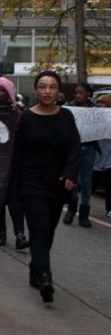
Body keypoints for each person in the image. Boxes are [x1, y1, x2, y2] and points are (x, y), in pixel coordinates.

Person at [13, 71, 81, 303]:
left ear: (58, 91)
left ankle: (35, 267)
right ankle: (45, 277)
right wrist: (13, 185)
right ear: (36, 90)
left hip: (58, 182)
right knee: (40, 227)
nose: (48, 91)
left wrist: (71, 174)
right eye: (43, 87)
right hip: (32, 182)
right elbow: (16, 153)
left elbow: (75, 148)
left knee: (48, 229)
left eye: (52, 87)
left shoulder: (66, 117)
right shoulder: (26, 118)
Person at [0, 77, 27, 249]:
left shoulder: (18, 114)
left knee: (15, 200)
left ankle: (20, 234)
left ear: (9, 94)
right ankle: (1, 232)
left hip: (13, 163)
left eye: (1, 90)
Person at [62, 83, 96, 228]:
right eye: (76, 93)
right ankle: (71, 209)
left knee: (86, 182)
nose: (78, 95)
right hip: (73, 149)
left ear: (88, 93)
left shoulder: (96, 110)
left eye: (81, 93)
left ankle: (84, 214)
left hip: (89, 148)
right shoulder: (69, 108)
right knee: (72, 180)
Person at [92, 95, 111, 219]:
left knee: (110, 186)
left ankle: (110, 209)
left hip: (109, 160)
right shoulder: (93, 119)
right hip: (95, 159)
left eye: (103, 102)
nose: (100, 105)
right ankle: (80, 206)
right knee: (90, 186)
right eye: (98, 102)